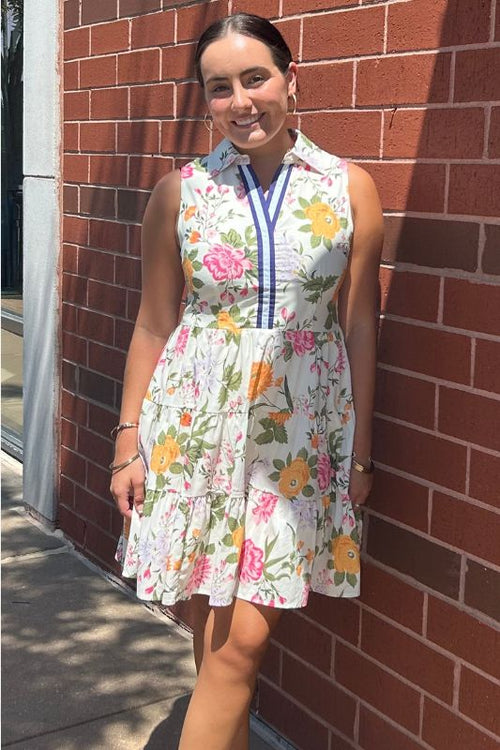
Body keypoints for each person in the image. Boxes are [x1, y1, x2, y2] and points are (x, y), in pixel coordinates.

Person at [110, 12, 383, 750]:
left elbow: (359, 326)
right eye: (219, 87)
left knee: (237, 649)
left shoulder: (349, 189)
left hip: (293, 442)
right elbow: (153, 326)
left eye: (255, 78)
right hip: (193, 432)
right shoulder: (180, 193)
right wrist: (128, 442)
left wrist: (360, 451)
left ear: (292, 80)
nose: (240, 101)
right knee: (214, 641)